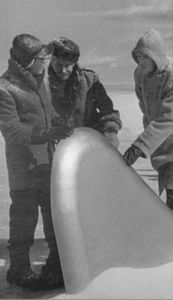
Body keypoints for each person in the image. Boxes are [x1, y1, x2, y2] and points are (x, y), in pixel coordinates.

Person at [0, 34, 72, 289]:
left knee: (53, 217)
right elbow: (11, 130)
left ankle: (55, 265)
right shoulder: (5, 88)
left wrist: (57, 121)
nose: (45, 62)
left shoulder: (39, 81)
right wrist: (45, 134)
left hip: (47, 163)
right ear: (28, 61)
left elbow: (46, 110)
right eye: (41, 58)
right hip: (24, 167)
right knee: (24, 219)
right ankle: (18, 270)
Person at [123, 29, 173, 226]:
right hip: (161, 134)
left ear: (156, 56)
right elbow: (145, 104)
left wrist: (139, 147)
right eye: (138, 56)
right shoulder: (140, 75)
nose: (141, 61)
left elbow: (168, 118)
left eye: (146, 57)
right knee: (170, 175)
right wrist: (150, 129)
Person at [48, 37, 122, 147]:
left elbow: (107, 111)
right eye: (59, 65)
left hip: (87, 143)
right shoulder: (41, 83)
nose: (63, 71)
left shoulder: (90, 81)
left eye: (67, 65)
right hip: (55, 145)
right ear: (51, 60)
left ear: (74, 63)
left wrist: (110, 133)